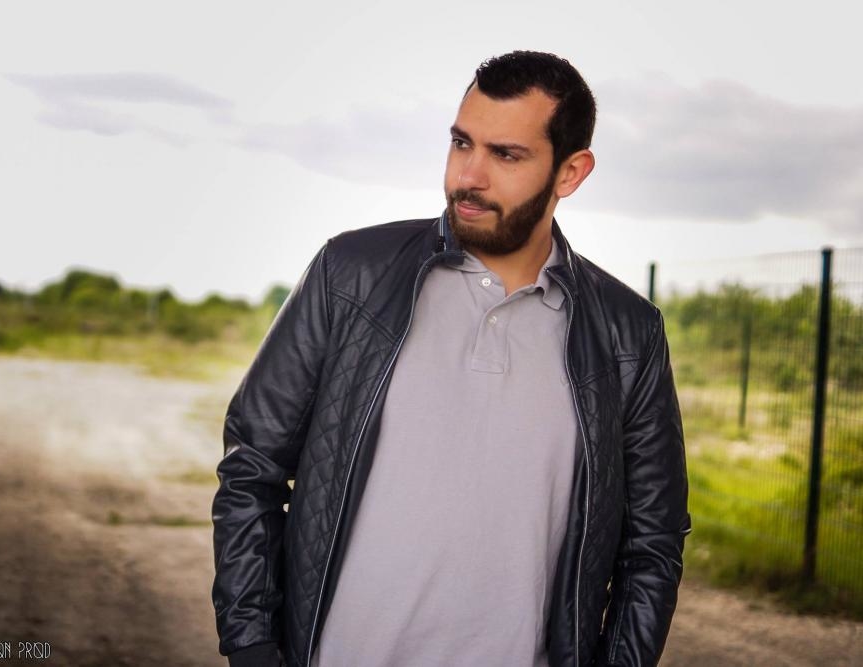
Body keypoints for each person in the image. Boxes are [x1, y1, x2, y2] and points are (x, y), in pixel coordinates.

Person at [211, 50, 690, 667]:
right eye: (462, 143)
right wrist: (251, 645)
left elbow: (651, 543)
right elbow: (252, 467)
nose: (469, 175)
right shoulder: (350, 275)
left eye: (506, 155)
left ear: (570, 173)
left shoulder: (628, 334)